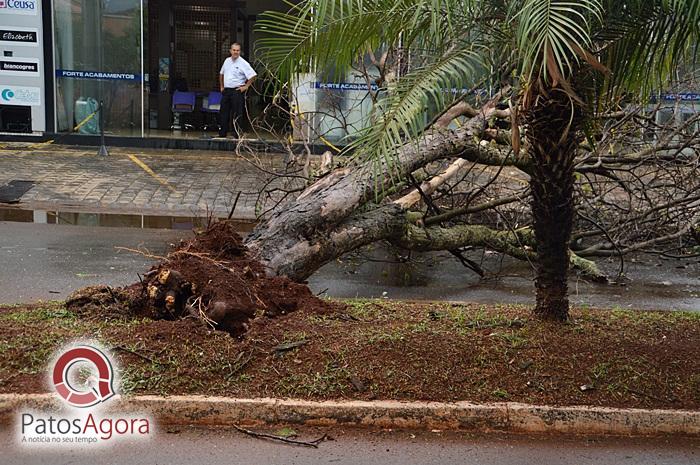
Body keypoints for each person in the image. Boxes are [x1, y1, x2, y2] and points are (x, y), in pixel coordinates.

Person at [217, 42, 256, 139]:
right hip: (226, 91)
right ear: (230, 51)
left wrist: (246, 86)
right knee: (223, 112)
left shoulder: (243, 63)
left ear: (240, 51)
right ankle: (222, 133)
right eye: (234, 50)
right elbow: (221, 74)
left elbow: (253, 75)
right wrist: (221, 86)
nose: (236, 52)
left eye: (238, 50)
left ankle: (236, 134)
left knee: (237, 113)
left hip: (237, 91)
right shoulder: (227, 61)